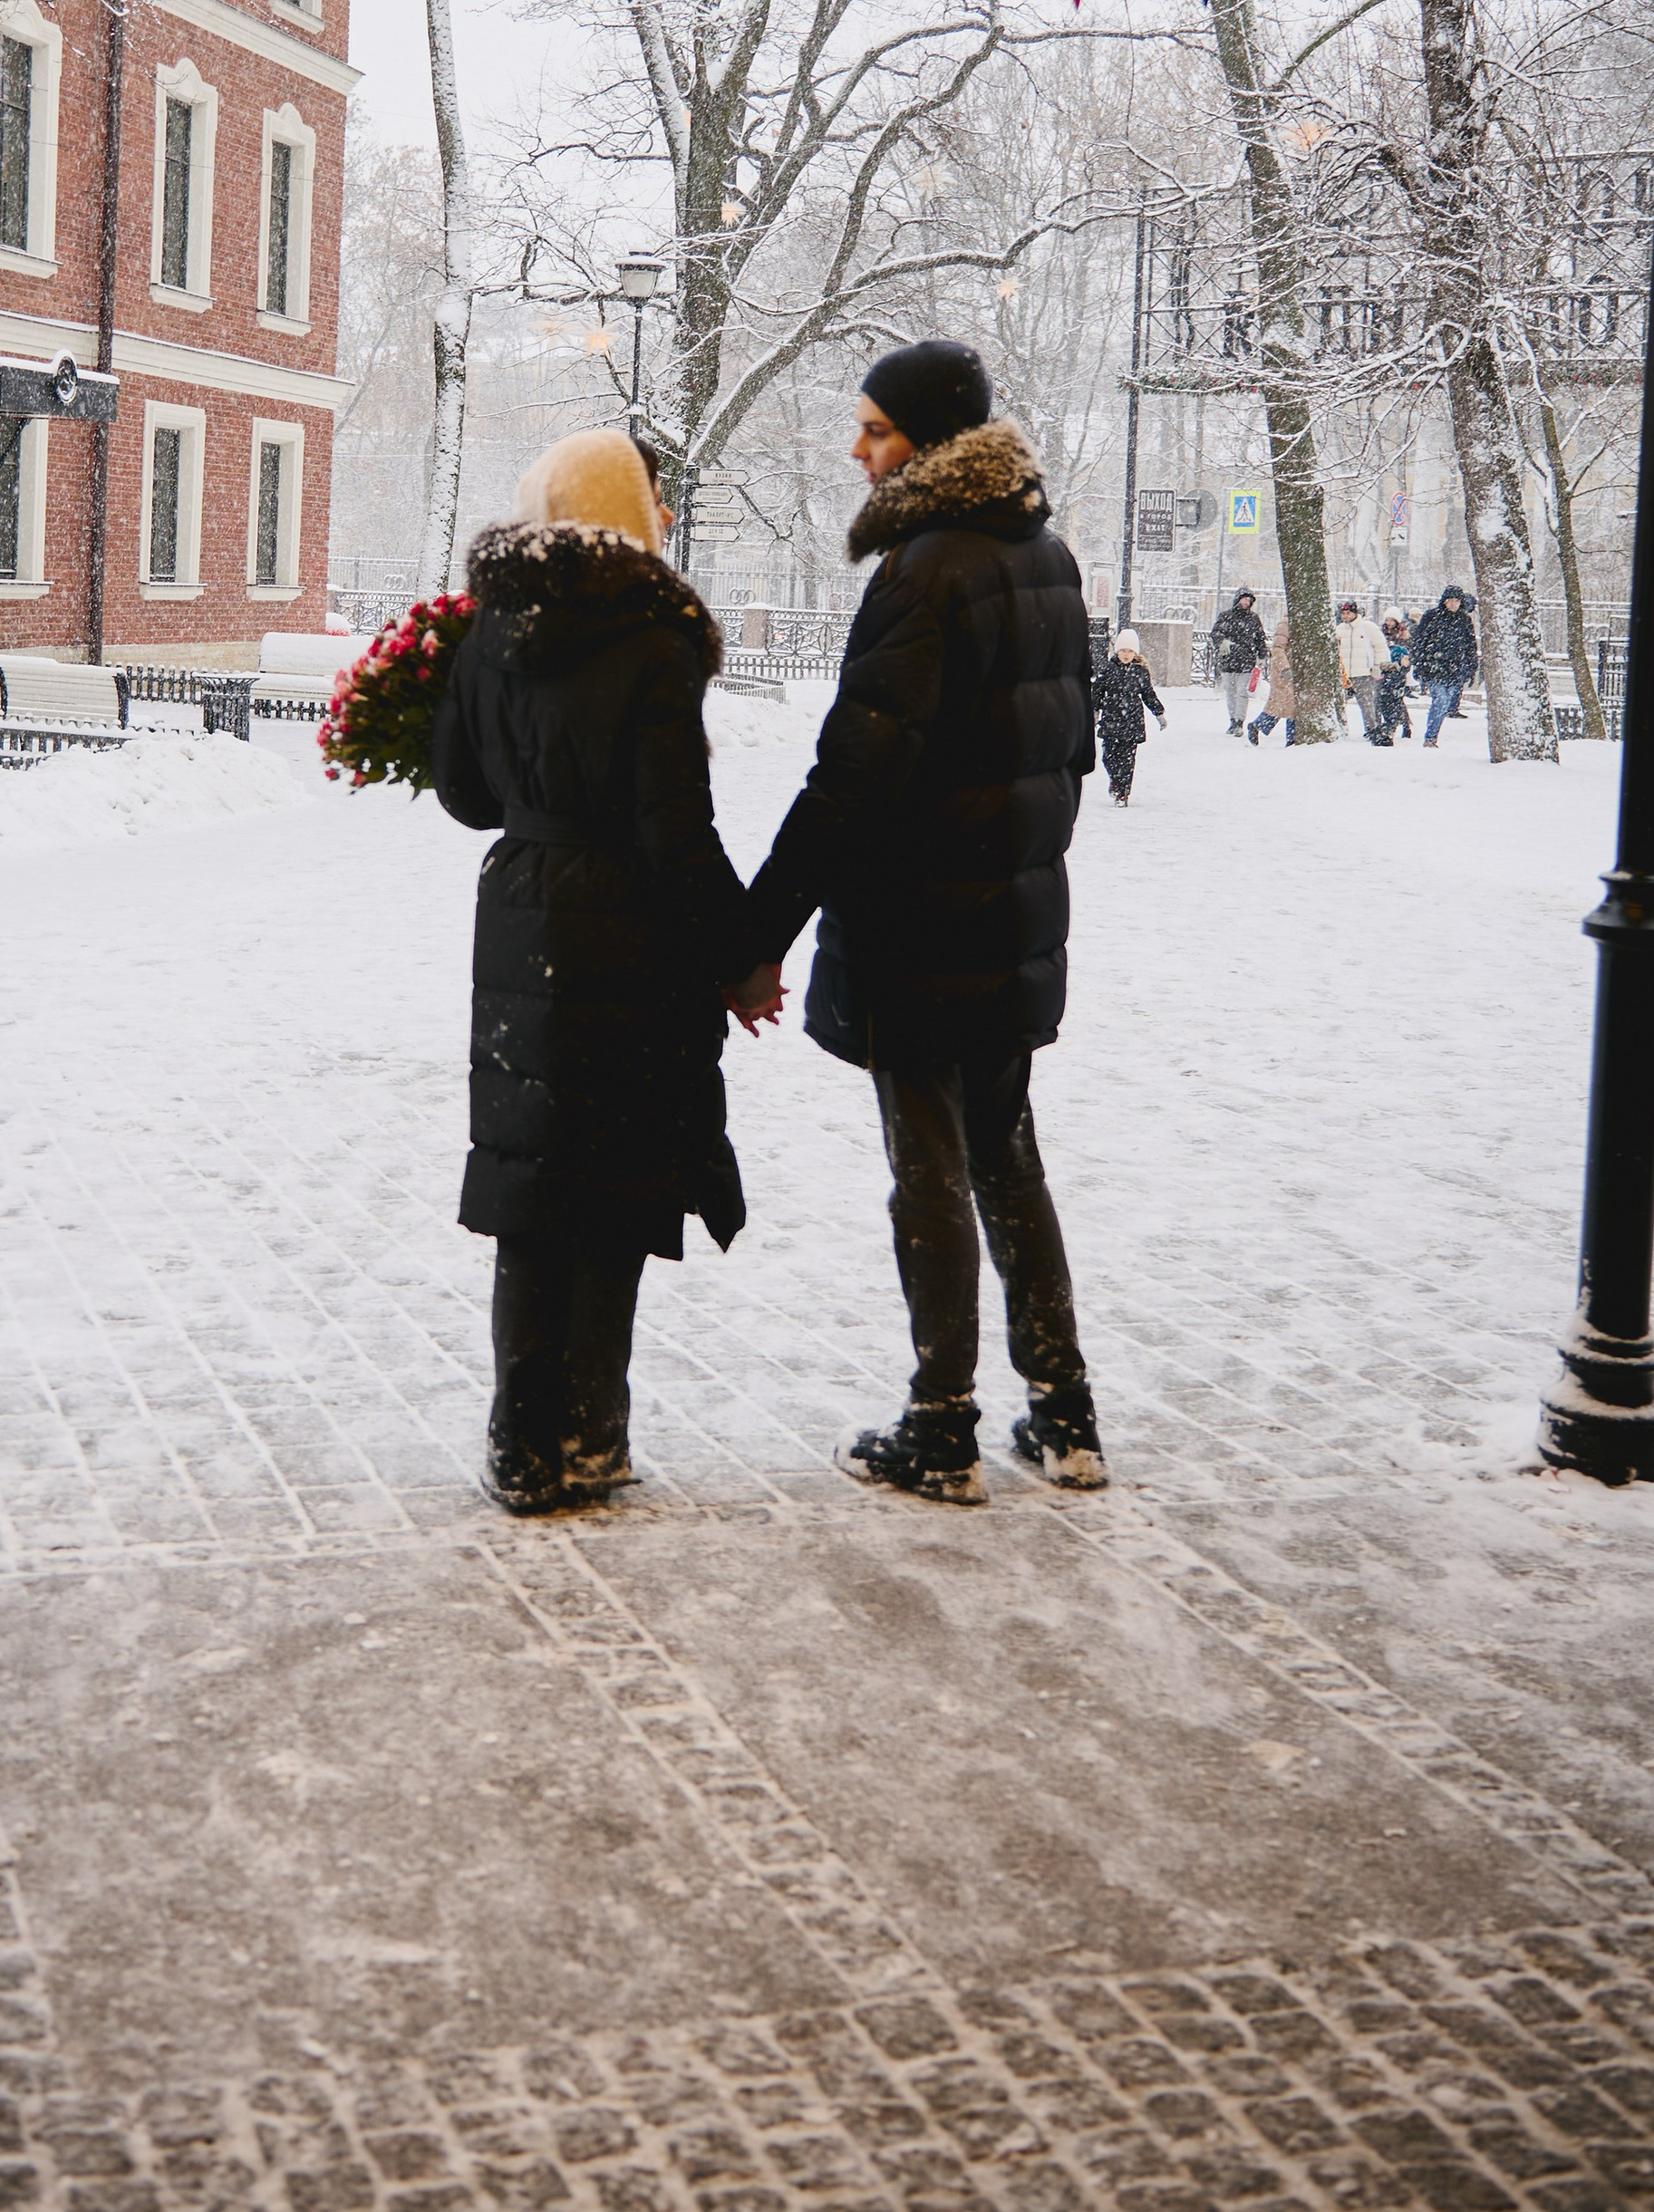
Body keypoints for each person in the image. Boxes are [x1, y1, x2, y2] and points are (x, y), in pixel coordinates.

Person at [735, 337, 1107, 1502]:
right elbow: (1070, 754)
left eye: (876, 430)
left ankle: (941, 1423)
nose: (856, 450)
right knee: (1008, 1158)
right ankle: (1064, 1410)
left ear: (931, 443)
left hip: (916, 926)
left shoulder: (921, 570)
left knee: (930, 1169)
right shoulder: (1046, 557)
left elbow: (850, 778)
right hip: (1011, 920)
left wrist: (758, 933)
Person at [431, 428, 759, 1514]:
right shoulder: (651, 636)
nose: (664, 518)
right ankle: (591, 1436)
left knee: (531, 1182)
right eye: (652, 499)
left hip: (520, 912)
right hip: (624, 924)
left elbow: (463, 793)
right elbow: (677, 831)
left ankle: (520, 1443)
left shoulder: (490, 630)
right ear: (622, 509)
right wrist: (741, 955)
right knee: (611, 1180)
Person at [1097, 628, 1166, 805]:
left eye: (1129, 651)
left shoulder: (1140, 671)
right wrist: (1094, 710)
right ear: (1117, 651)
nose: (1126, 654)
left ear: (1135, 653)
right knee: (1109, 756)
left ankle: (1123, 792)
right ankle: (1114, 780)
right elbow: (1096, 690)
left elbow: (1148, 694)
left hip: (1132, 720)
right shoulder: (1108, 669)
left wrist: (1159, 713)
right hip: (1111, 718)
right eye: (1122, 650)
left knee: (1127, 760)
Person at [1413, 584, 1478, 744]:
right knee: (1440, 700)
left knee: (1446, 703)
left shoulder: (1464, 620)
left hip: (1455, 668)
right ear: (1444, 601)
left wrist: (1471, 667)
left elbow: (1470, 645)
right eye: (1450, 600)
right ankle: (1430, 737)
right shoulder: (1432, 617)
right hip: (1434, 667)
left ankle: (1432, 734)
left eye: (1456, 601)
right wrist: (1420, 663)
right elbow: (1420, 641)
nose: (1453, 604)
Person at [1206, 587, 1268, 735]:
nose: (1246, 603)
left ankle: (1239, 721)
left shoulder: (1253, 619)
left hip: (1246, 661)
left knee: (1242, 693)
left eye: (1249, 601)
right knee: (1231, 692)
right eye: (1244, 599)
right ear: (1238, 599)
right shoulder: (1226, 616)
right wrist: (1222, 642)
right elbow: (1215, 633)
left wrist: (1262, 655)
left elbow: (1260, 638)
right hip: (1229, 660)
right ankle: (1232, 720)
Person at [1335, 599, 1392, 743]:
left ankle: (1372, 730)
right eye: (1343, 614)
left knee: (1367, 704)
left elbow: (1380, 647)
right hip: (1345, 674)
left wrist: (1377, 666)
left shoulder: (1368, 628)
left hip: (1363, 673)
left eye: (1348, 613)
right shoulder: (1339, 630)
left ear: (1355, 613)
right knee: (1339, 704)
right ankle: (1339, 730)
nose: (1346, 616)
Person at [1248, 613, 1295, 745]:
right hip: (1284, 672)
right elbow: (1278, 649)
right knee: (1285, 704)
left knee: (1286, 706)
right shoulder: (1285, 624)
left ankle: (1259, 725)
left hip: (1293, 671)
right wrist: (1285, 668)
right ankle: (1291, 739)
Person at [1381, 609, 1414, 741]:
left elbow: (1408, 652)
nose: (1389, 623)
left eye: (1391, 620)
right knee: (1387, 698)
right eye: (1387, 620)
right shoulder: (1382, 633)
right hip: (1386, 667)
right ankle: (1393, 723)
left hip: (1399, 669)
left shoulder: (1403, 634)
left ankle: (1401, 724)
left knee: (1397, 698)